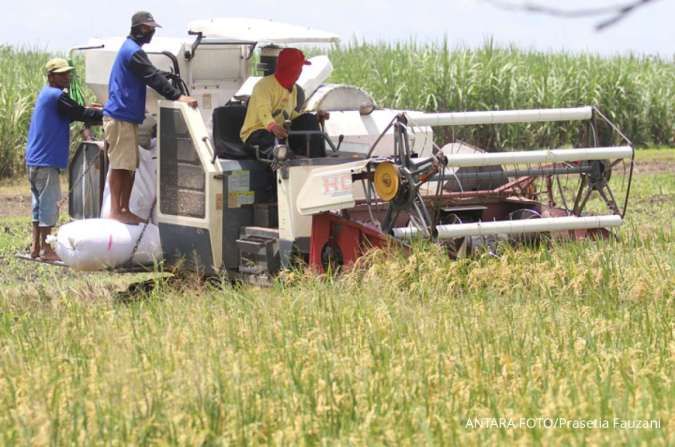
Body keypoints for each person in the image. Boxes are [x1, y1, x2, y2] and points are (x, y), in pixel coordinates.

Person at [103, 11, 197, 224]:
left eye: (153, 28)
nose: (152, 32)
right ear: (138, 28)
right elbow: (152, 77)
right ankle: (117, 210)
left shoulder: (131, 51)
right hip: (120, 117)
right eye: (148, 28)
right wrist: (178, 96)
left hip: (127, 117)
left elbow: (151, 74)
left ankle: (123, 208)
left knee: (128, 166)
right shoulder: (133, 52)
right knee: (120, 166)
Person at [25, 58, 103, 261]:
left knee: (39, 206)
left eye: (67, 73)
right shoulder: (56, 95)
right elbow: (79, 112)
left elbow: (74, 112)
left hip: (34, 161)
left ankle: (35, 247)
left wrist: (90, 109)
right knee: (49, 206)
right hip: (46, 161)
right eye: (61, 74)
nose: (66, 77)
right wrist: (107, 113)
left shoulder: (47, 95)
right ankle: (46, 250)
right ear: (51, 77)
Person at [240, 48, 329, 159]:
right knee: (273, 144)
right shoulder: (263, 86)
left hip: (281, 132)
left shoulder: (294, 89)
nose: (300, 72)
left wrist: (315, 117)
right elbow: (263, 110)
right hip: (257, 132)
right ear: (290, 69)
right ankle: (283, 169)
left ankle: (317, 159)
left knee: (308, 119)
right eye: (299, 68)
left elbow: (290, 115)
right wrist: (272, 126)